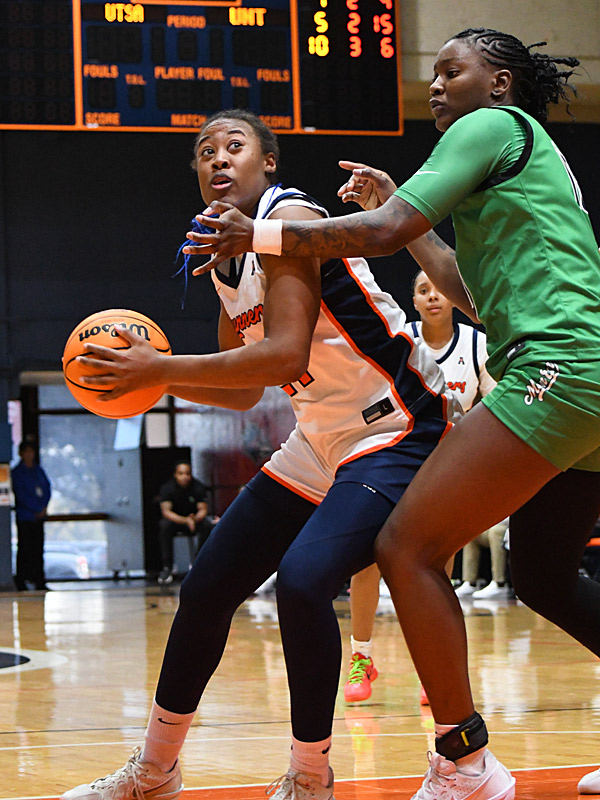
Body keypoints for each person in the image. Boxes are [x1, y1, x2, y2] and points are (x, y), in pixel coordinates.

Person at [186, 29, 600, 800]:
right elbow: (466, 291)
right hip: (579, 369)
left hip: (563, 366)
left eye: (452, 71)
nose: (436, 86)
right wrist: (393, 216)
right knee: (543, 574)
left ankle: (465, 763)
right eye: (431, 75)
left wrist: (261, 231)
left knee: (406, 545)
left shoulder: (489, 126)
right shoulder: (514, 155)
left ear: (500, 83)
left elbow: (379, 235)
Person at [60, 109, 460, 800]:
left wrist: (159, 369)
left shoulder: (290, 216)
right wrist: (144, 388)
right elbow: (248, 389)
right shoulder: (222, 253)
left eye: (234, 147)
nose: (217, 159)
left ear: (267, 162)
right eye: (203, 151)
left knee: (304, 584)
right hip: (322, 436)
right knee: (207, 586)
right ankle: (156, 770)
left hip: (397, 422)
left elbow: (283, 355)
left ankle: (311, 775)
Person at [344, 270, 496, 703]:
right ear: (412, 300)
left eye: (439, 289)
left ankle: (433, 667)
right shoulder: (400, 339)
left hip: (446, 467)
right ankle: (361, 657)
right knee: (366, 561)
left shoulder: (475, 344)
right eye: (422, 290)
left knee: (434, 567)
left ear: (452, 296)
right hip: (393, 459)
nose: (433, 297)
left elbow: (494, 398)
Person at [156, 460, 212, 585]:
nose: (185, 477)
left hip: (194, 520)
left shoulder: (198, 487)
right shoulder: (167, 488)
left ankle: (199, 564)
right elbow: (166, 512)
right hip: (177, 520)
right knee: (164, 525)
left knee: (208, 526)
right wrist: (186, 520)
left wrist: (195, 519)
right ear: (175, 475)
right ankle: (167, 567)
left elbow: (203, 510)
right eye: (181, 474)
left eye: (187, 474)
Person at [11, 441, 52, 591]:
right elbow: (21, 494)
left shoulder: (38, 471)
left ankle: (39, 580)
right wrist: (35, 508)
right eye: (26, 452)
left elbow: (47, 488)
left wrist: (43, 507)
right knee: (25, 549)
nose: (29, 455)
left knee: (38, 549)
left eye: (31, 452)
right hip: (25, 517)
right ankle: (22, 579)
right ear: (21, 453)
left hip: (38, 517)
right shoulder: (17, 473)